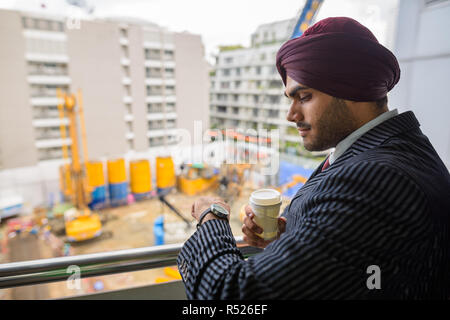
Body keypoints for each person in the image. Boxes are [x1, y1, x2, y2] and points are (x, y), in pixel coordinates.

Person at [176, 17, 450, 299]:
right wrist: (295, 237)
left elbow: (233, 294)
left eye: (304, 96)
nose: (291, 115)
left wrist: (213, 216)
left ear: (354, 87)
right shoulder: (401, 148)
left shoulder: (377, 178)